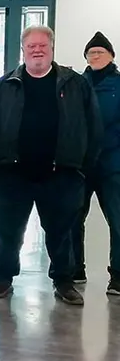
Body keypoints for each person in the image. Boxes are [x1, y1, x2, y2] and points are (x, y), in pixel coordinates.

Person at [0, 25, 102, 305]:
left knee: (61, 232)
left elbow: (94, 128)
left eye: (42, 46)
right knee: (7, 231)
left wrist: (82, 170)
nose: (37, 50)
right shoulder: (2, 87)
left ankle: (64, 281)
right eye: (31, 46)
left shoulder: (76, 84)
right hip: (12, 175)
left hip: (62, 175)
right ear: (23, 50)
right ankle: (4, 278)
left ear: (52, 48)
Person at [74, 31, 120, 294]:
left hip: (113, 163)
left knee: (117, 219)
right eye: (91, 53)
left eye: (100, 52)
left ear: (111, 55)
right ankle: (74, 269)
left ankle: (118, 276)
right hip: (81, 163)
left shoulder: (118, 84)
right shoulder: (77, 84)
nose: (95, 56)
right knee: (73, 218)